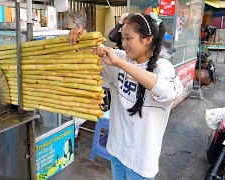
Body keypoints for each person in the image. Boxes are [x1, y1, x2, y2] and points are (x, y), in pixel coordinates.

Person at [68, 12, 183, 179]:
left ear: (147, 40)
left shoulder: (163, 68)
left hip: (140, 162)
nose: (123, 43)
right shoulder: (119, 58)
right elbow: (86, 60)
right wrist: (82, 40)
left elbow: (168, 91)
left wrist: (120, 63)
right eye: (122, 38)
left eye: (128, 38)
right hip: (116, 150)